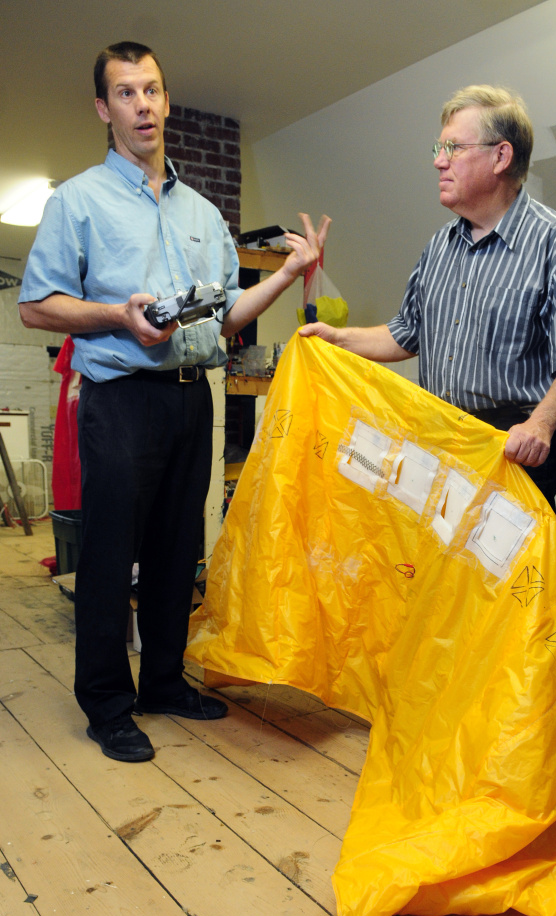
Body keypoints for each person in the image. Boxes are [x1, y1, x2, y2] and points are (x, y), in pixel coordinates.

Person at [19, 41, 330, 763]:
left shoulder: (202, 212)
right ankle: (106, 701)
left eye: (152, 90)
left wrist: (288, 271)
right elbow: (37, 306)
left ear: (166, 99)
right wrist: (115, 316)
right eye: (125, 93)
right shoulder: (77, 202)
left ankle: (162, 680)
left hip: (194, 399)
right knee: (109, 554)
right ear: (104, 109)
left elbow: (223, 316)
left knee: (176, 550)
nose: (143, 105)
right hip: (121, 398)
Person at [299, 85, 556, 507]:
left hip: (511, 453)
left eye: (454, 148)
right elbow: (406, 334)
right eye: (439, 148)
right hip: (440, 443)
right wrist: (339, 339)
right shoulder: (440, 245)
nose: (438, 161)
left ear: (501, 156)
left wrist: (540, 426)